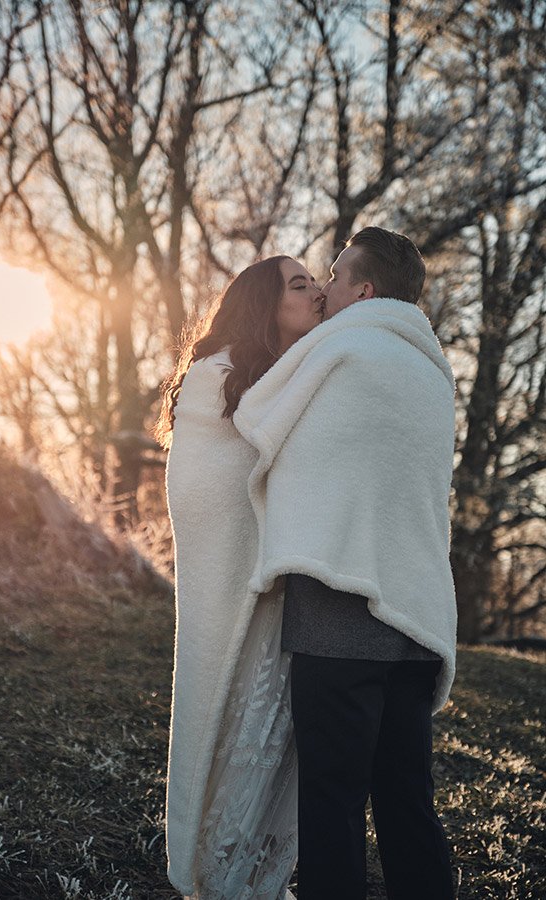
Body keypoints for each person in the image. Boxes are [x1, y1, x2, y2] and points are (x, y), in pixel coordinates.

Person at [233, 226, 458, 899]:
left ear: (363, 289)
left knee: (331, 802)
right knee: (407, 802)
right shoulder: (431, 370)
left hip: (342, 608)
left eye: (332, 276)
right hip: (415, 616)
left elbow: (259, 423)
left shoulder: (344, 350)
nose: (322, 290)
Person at [157, 255, 325, 899]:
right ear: (263, 304)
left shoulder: (291, 377)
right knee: (234, 714)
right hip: (235, 585)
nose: (315, 293)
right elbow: (205, 494)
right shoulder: (215, 379)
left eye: (316, 282)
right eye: (300, 284)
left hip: (280, 585)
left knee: (272, 727)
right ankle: (223, 872)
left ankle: (257, 870)